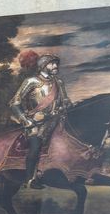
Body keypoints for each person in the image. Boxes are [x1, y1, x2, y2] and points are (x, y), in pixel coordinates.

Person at [11, 54, 70, 189]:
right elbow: (14, 103)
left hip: (56, 121)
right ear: (43, 65)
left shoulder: (58, 82)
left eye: (56, 63)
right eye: (52, 64)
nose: (56, 66)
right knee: (35, 147)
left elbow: (66, 101)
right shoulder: (31, 81)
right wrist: (25, 120)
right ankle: (30, 180)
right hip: (36, 124)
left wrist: (65, 105)